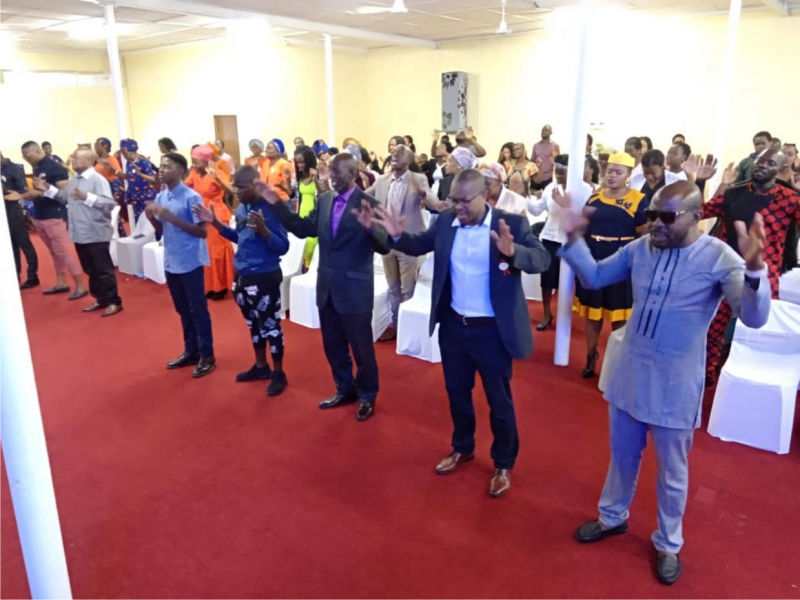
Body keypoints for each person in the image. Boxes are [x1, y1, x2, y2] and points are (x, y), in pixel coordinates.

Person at [557, 180, 770, 586]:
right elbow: (596, 277)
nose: (654, 223)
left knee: (672, 472)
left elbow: (754, 318)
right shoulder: (641, 248)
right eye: (652, 214)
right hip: (630, 374)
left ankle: (669, 543)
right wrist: (573, 238)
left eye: (666, 217)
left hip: (676, 383)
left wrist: (755, 271)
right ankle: (612, 517)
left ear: (696, 217)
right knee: (622, 457)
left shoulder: (719, 257)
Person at [358, 169, 551, 496]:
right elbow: (417, 245)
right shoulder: (446, 222)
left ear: (485, 195)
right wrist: (395, 235)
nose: (457, 207)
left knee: (499, 401)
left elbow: (542, 259)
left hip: (492, 332)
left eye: (465, 201)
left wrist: (513, 252)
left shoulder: (511, 225)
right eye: (453, 200)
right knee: (457, 393)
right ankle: (463, 447)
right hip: (454, 329)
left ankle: (503, 463)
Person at [262, 153, 391, 421]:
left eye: (337, 173)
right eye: (330, 172)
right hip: (327, 288)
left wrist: (371, 227)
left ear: (353, 174)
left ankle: (367, 395)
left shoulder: (370, 203)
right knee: (333, 346)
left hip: (355, 290)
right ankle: (345, 389)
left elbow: (385, 245)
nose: (331, 177)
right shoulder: (324, 200)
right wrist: (276, 203)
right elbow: (302, 228)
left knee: (362, 350)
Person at [702, 148, 800, 384]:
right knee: (713, 328)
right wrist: (700, 182)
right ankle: (707, 374)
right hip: (726, 272)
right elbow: (700, 212)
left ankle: (757, 378)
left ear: (780, 169)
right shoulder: (734, 193)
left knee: (760, 331)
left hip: (763, 277)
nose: (762, 165)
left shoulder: (790, 199)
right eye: (760, 161)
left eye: (770, 163)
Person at [193, 165, 290, 396]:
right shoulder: (241, 208)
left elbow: (283, 247)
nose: (235, 191)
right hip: (243, 276)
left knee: (270, 326)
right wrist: (216, 223)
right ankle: (261, 366)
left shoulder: (271, 208)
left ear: (255, 185)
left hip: (264, 276)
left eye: (241, 187)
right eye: (234, 186)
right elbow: (240, 238)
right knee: (253, 324)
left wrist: (265, 232)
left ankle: (279, 373)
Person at [573, 152, 647, 378]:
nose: (612, 175)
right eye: (609, 171)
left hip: (621, 262)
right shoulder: (595, 197)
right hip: (594, 260)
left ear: (628, 175)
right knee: (592, 313)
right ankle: (591, 355)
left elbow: (643, 235)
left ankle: (617, 360)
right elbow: (583, 227)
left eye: (618, 172)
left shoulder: (638, 199)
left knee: (618, 315)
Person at [145, 152, 216, 379]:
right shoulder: (162, 195)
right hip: (171, 260)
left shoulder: (191, 197)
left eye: (167, 166)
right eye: (161, 165)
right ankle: (191, 351)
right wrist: (152, 218)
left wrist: (172, 218)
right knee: (182, 309)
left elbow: (202, 232)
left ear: (181, 171)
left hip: (190, 261)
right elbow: (161, 230)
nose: (161, 170)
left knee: (198, 310)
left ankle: (207, 355)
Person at [365, 145, 445, 340]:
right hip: (386, 242)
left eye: (400, 154)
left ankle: (407, 330)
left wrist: (425, 195)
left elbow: (433, 201)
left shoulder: (418, 179)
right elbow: (363, 196)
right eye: (393, 153)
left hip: (409, 241)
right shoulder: (382, 180)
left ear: (409, 160)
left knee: (407, 289)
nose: (394, 155)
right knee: (392, 288)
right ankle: (396, 326)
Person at [526, 154, 593, 330]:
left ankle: (565, 318)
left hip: (571, 241)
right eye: (557, 172)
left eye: (563, 173)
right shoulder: (551, 187)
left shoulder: (584, 189)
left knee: (568, 282)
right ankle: (547, 313)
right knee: (546, 279)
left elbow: (585, 217)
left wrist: (566, 205)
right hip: (550, 237)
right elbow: (536, 210)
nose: (559, 176)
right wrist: (524, 195)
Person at [20, 141, 88, 298]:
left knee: (63, 252)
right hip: (41, 214)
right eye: (24, 158)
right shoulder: (37, 167)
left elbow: (66, 194)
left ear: (36, 151)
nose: (26, 160)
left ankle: (80, 285)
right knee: (54, 252)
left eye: (27, 156)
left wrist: (40, 193)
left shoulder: (54, 167)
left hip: (54, 215)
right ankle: (61, 282)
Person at [63, 148, 122, 317]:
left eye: (76, 157)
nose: (72, 160)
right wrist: (47, 190)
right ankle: (101, 298)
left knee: (103, 269)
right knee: (90, 269)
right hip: (80, 233)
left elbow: (109, 204)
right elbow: (65, 197)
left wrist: (87, 197)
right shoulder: (74, 180)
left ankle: (114, 301)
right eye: (73, 157)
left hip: (95, 231)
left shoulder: (98, 180)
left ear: (89, 161)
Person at [185, 144, 235, 300]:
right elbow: (185, 187)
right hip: (200, 215)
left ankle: (221, 286)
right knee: (205, 251)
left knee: (217, 251)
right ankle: (210, 286)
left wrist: (217, 178)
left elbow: (231, 192)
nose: (194, 164)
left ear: (206, 161)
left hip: (216, 215)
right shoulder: (194, 174)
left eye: (197, 161)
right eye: (193, 161)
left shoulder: (217, 172)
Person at [2, 151, 39, 289]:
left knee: (24, 243)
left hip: (14, 210)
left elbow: (24, 190)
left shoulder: (14, 168)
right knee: (10, 247)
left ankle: (32, 276)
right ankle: (14, 276)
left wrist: (13, 193)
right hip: (3, 213)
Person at [93, 137, 126, 237]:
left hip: (112, 187)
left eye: (97, 146)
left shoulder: (111, 159)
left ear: (104, 147)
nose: (95, 148)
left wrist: (111, 169)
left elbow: (121, 175)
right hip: (102, 188)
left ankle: (121, 235)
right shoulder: (96, 161)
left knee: (112, 212)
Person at [294, 145, 319, 269]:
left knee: (311, 246)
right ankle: (303, 271)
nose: (299, 165)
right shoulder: (300, 177)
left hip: (315, 216)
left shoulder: (318, 175)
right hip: (302, 215)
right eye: (297, 162)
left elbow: (323, 195)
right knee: (301, 248)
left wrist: (316, 179)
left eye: (302, 162)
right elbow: (298, 198)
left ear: (309, 160)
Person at [120, 139, 157, 223]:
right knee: (139, 223)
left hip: (146, 198)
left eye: (123, 153)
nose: (123, 156)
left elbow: (153, 179)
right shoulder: (129, 162)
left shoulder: (143, 161)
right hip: (135, 198)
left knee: (150, 223)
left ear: (126, 151)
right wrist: (114, 171)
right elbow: (130, 177)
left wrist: (140, 174)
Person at [532, 125, 561, 191]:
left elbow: (558, 163)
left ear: (551, 133)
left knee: (547, 196)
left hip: (548, 178)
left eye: (546, 130)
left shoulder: (555, 146)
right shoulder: (536, 145)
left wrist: (554, 158)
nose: (543, 132)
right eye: (542, 130)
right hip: (536, 178)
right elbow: (532, 161)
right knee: (533, 196)